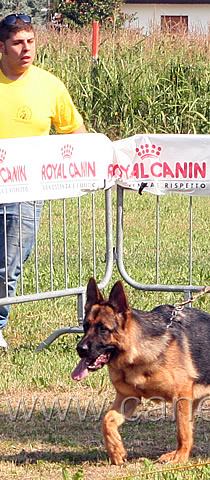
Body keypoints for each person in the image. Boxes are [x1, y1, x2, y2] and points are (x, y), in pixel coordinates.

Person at [0, 13, 87, 348]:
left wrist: (97, 158)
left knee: (9, 264)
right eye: (18, 43)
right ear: (3, 47)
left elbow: (74, 131)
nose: (26, 49)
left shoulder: (49, 85)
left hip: (27, 191)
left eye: (31, 42)